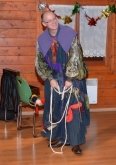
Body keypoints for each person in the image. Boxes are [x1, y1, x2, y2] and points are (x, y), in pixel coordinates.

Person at [35, 10, 90, 155]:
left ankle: (75, 142)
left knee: (73, 109)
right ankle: (61, 137)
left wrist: (70, 79)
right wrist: (50, 79)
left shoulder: (69, 34)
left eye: (54, 18)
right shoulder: (42, 40)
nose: (53, 21)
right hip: (54, 79)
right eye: (49, 20)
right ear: (43, 24)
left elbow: (76, 58)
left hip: (72, 78)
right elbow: (40, 63)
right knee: (56, 108)